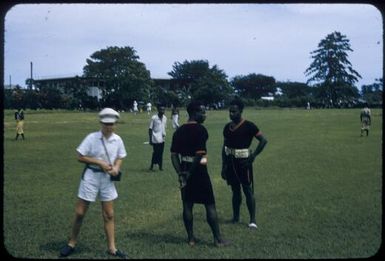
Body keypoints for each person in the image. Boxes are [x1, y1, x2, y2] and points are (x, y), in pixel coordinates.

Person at [59, 108, 127, 259]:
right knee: (80, 212)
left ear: (115, 123)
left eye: (111, 124)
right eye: (105, 124)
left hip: (107, 179)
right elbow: (80, 156)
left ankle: (112, 248)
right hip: (91, 176)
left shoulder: (118, 139)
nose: (108, 127)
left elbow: (120, 156)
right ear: (101, 123)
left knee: (109, 214)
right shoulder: (92, 137)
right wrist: (98, 162)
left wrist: (116, 167)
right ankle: (71, 243)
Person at [170, 100, 230, 247]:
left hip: (184, 168)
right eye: (203, 112)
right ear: (194, 113)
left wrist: (181, 173)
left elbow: (173, 155)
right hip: (199, 171)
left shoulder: (179, 131)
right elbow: (199, 154)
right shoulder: (201, 130)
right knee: (209, 204)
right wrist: (190, 172)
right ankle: (218, 239)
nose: (205, 115)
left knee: (187, 204)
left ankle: (191, 238)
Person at [221, 98, 267, 229]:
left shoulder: (249, 126)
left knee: (247, 189)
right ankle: (235, 217)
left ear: (241, 111)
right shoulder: (227, 127)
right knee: (235, 191)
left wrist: (253, 156)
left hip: (244, 162)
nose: (231, 114)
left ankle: (252, 220)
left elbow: (263, 140)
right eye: (230, 111)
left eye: (234, 111)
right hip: (230, 161)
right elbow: (224, 147)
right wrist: (223, 165)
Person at [149, 103, 167, 171]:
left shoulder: (165, 118)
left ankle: (160, 167)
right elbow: (150, 129)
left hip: (162, 138)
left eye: (163, 109)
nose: (162, 111)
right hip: (155, 138)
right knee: (156, 153)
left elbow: (164, 128)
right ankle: (152, 165)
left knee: (161, 153)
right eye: (161, 109)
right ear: (158, 110)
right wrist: (150, 139)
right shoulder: (154, 118)